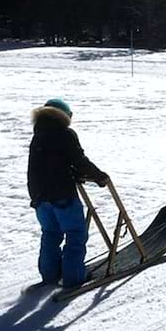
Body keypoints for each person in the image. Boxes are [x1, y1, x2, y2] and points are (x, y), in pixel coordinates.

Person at [27, 98, 111, 288]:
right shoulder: (65, 134)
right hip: (62, 195)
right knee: (75, 234)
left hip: (40, 196)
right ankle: (73, 278)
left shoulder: (38, 135)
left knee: (50, 233)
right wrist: (99, 177)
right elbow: (78, 160)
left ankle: (50, 275)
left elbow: (51, 163)